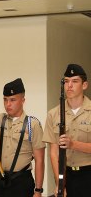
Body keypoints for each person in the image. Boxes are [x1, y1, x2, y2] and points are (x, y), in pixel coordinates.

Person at [0, 78, 45, 197]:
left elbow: (39, 160)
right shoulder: (0, 119)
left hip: (21, 183)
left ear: (23, 100)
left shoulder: (32, 124)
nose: (8, 104)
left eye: (12, 100)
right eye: (5, 100)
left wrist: (38, 190)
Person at [43, 64, 91, 197]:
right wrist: (60, 182)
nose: (69, 85)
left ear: (84, 85)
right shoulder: (54, 114)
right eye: (66, 81)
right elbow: (54, 153)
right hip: (66, 174)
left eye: (74, 81)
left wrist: (73, 145)